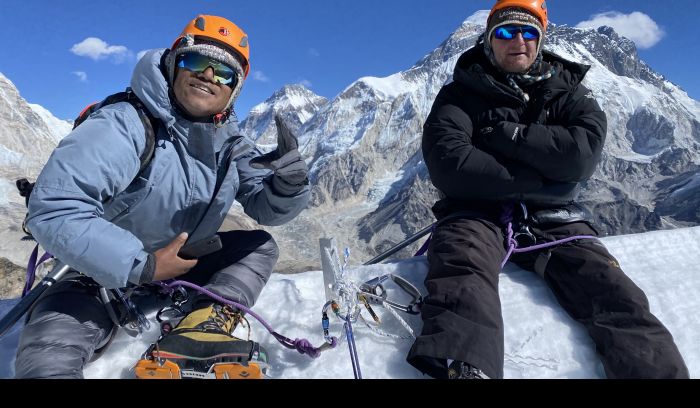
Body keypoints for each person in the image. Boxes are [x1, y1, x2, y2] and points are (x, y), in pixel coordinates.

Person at [15, 15, 310, 379]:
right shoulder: (124, 125)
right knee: (47, 360)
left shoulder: (229, 144)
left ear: (234, 89)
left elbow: (265, 208)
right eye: (195, 61)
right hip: (95, 277)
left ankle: (200, 328)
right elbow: (54, 209)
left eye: (224, 73)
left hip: (178, 266)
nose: (208, 75)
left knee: (257, 245)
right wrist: (142, 264)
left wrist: (289, 186)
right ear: (173, 64)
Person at [407, 0, 689, 379]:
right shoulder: (458, 94)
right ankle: (468, 369)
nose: (517, 40)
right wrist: (545, 180)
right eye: (505, 32)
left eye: (528, 32)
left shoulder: (567, 91)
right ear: (489, 41)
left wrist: (504, 135)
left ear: (540, 40)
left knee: (612, 290)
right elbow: (451, 166)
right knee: (461, 270)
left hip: (554, 219)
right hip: (476, 214)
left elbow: (580, 157)